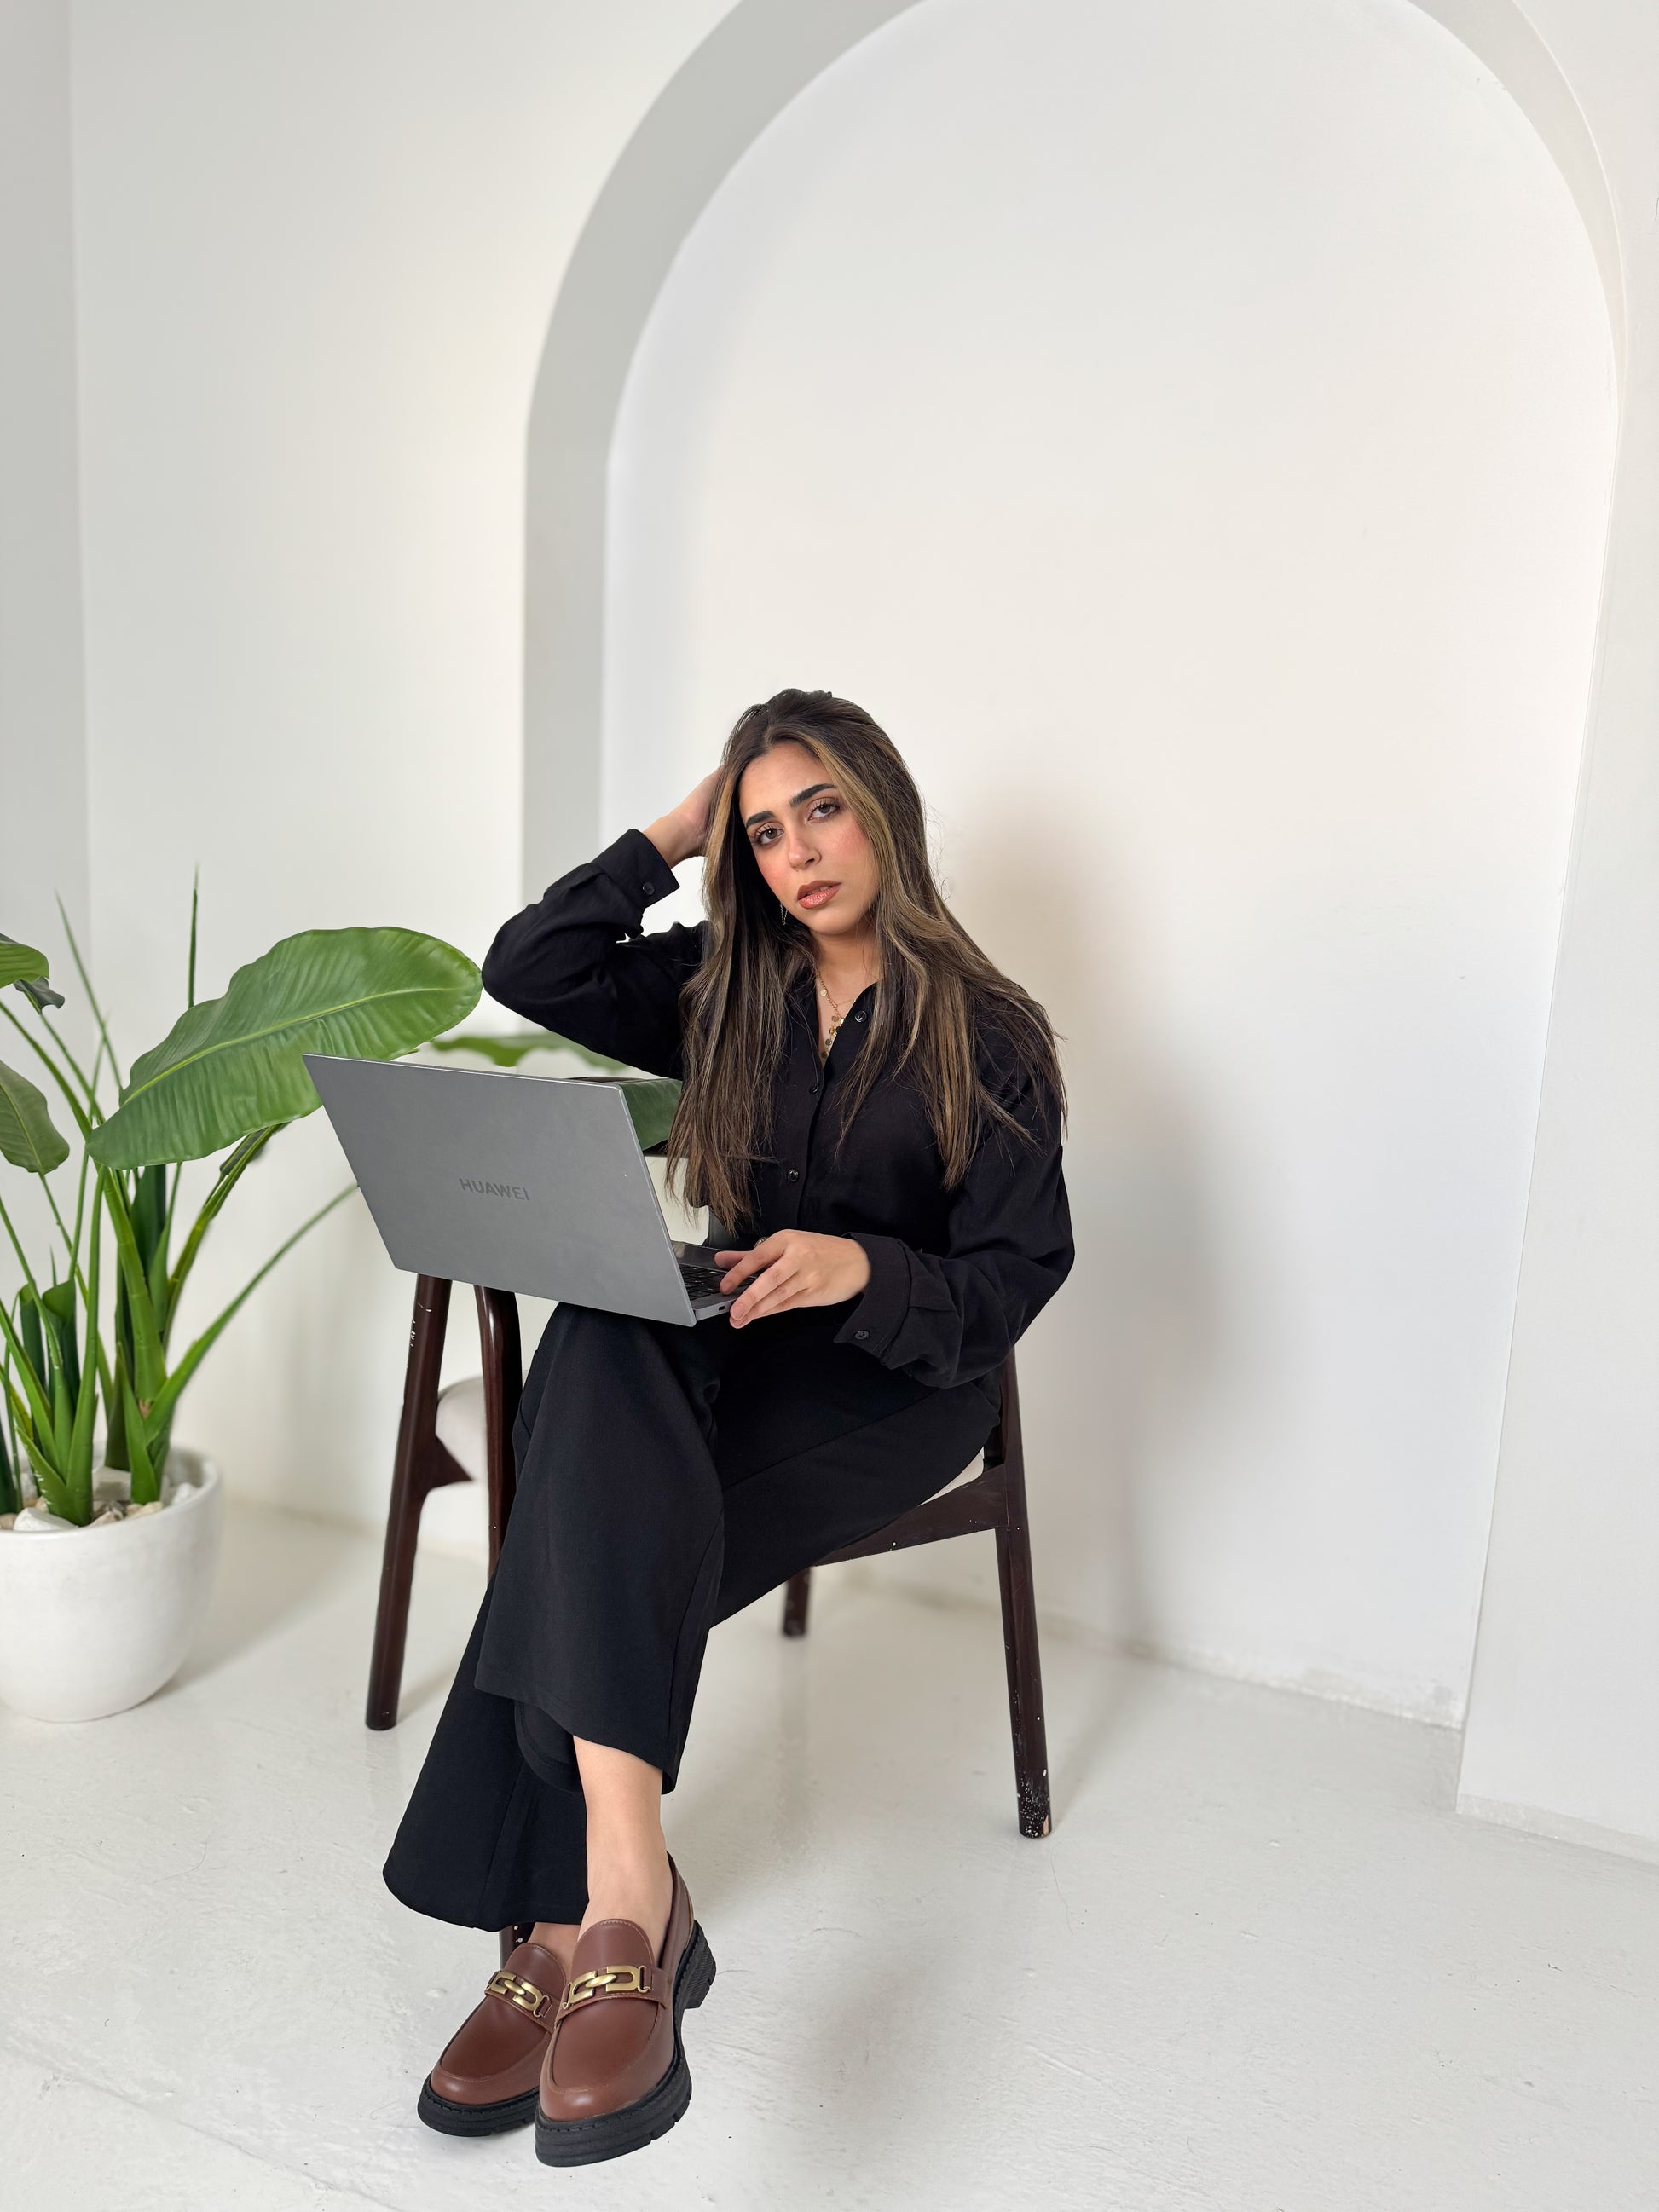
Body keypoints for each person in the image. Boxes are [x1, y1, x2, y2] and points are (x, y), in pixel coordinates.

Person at [384, 688, 1073, 2167]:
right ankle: (629, 1894)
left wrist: (862, 1267)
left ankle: (566, 1924)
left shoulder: (988, 1029)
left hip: (895, 1379)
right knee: (604, 1327)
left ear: (882, 808)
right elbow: (531, 964)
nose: (797, 853)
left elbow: (1020, 1272)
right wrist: (672, 833)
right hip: (733, 1345)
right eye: (761, 832)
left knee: (584, 1527)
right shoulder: (721, 985)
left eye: (820, 810)